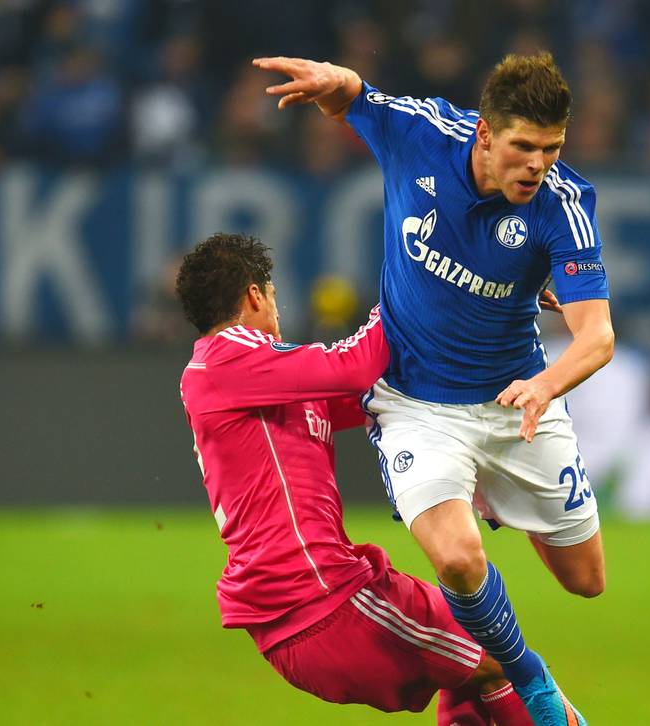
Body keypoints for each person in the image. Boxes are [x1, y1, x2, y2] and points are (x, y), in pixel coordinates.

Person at [255, 51, 616, 725]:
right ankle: (528, 676)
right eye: (523, 147)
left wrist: (544, 386)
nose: (537, 165)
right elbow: (357, 96)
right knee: (456, 558)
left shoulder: (564, 204)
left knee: (587, 581)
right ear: (485, 133)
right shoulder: (423, 135)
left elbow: (596, 336)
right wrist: (334, 84)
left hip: (515, 403)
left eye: (551, 149)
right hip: (415, 404)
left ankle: (495, 501)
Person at [177, 232, 535, 725]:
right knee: (503, 661)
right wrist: (412, 283)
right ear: (254, 295)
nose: (278, 309)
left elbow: (372, 395)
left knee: (473, 648)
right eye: (274, 295)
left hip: (314, 603)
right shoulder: (230, 354)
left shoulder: (253, 376)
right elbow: (356, 365)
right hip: (321, 601)